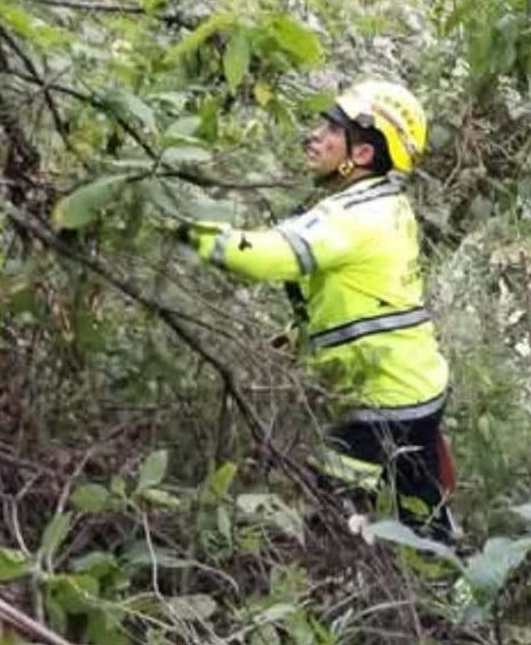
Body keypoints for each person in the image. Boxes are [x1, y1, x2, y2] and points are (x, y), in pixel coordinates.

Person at [178, 80, 454, 540]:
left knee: (329, 509)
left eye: (330, 129)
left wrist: (190, 232)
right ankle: (457, 594)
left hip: (379, 402)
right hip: (418, 389)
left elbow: (269, 255)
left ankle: (343, 584)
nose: (313, 136)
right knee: (424, 517)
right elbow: (363, 293)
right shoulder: (388, 205)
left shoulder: (356, 217)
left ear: (362, 155)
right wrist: (299, 332)